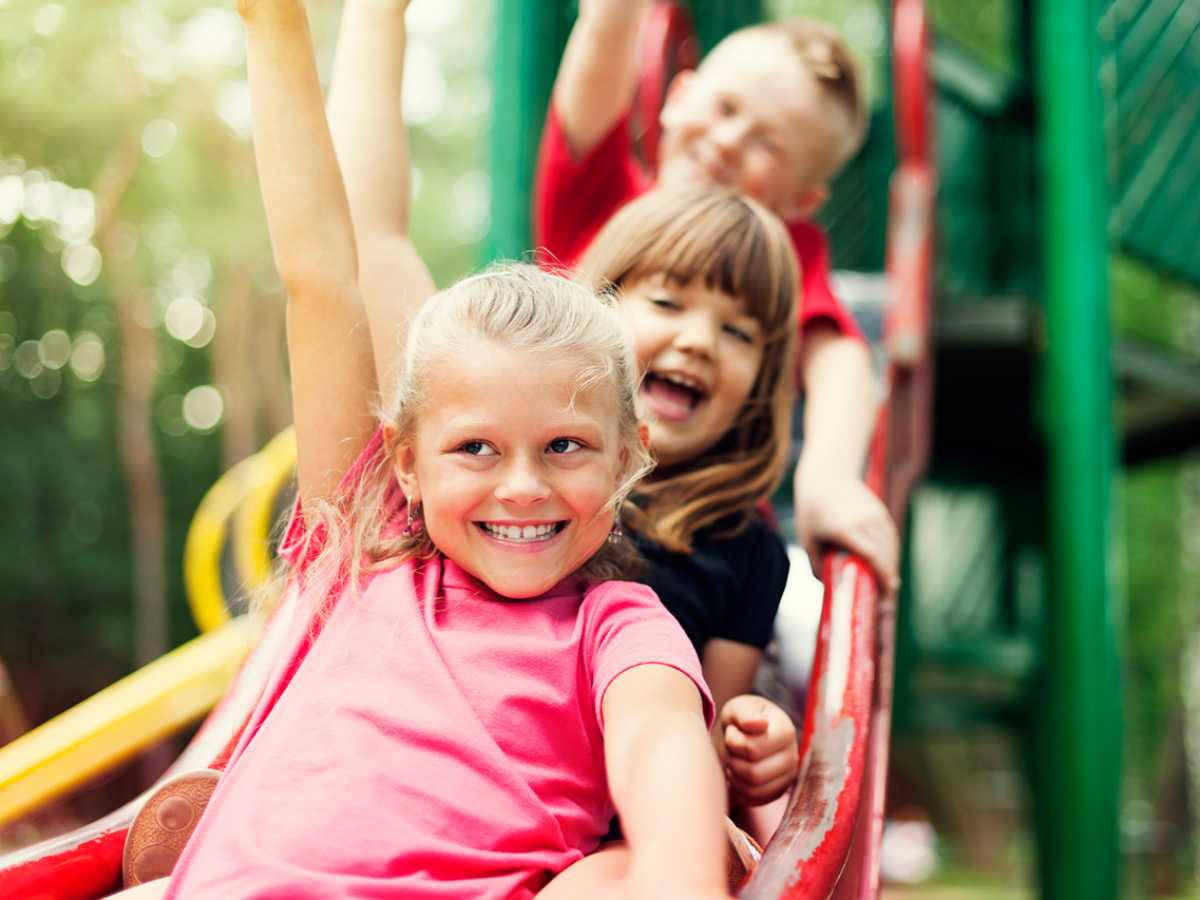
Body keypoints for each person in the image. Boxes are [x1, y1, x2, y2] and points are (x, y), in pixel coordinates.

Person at [120, 1, 734, 897]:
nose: (522, 486)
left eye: (564, 445)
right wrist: (273, 31)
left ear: (629, 455)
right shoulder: (364, 560)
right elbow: (323, 278)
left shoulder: (617, 627)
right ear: (406, 460)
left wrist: (680, 880)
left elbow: (658, 741)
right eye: (476, 449)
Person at [320, 0, 805, 829]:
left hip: (590, 832)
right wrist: (377, 20)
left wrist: (752, 747)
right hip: (426, 800)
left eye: (737, 331)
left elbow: (701, 732)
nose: (699, 341)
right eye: (668, 302)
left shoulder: (739, 546)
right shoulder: (481, 452)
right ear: (602, 307)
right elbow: (371, 243)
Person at [536, 2, 901, 594]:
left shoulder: (776, 259)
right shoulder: (603, 196)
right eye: (726, 108)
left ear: (801, 202)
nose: (729, 142)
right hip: (544, 498)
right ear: (677, 97)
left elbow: (840, 359)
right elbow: (602, 43)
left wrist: (829, 475)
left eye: (769, 145)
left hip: (692, 547)